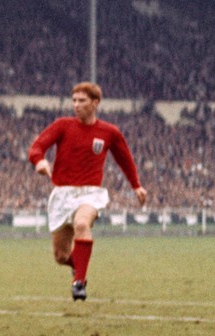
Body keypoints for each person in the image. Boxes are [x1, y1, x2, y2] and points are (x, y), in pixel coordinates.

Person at [28, 81, 148, 301]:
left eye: (81, 101)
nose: (76, 105)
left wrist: (136, 185)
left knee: (82, 224)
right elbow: (37, 146)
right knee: (61, 256)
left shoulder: (109, 132)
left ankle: (79, 284)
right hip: (63, 194)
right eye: (74, 100)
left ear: (95, 103)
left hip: (91, 193)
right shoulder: (62, 125)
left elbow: (124, 159)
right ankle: (78, 267)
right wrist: (40, 161)